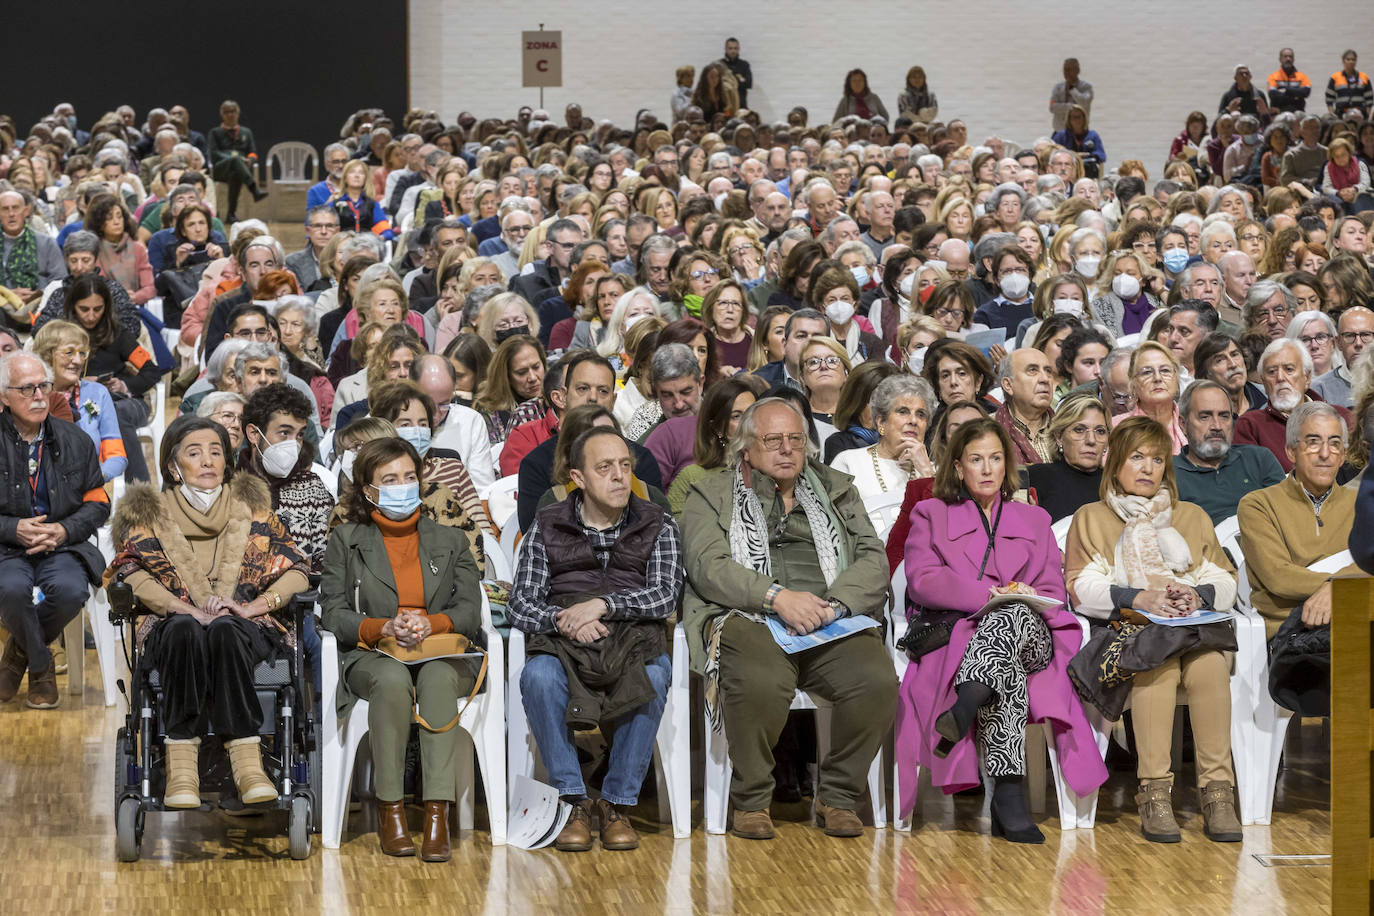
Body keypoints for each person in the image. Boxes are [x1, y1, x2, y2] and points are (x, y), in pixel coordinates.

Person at [680, 397, 896, 841]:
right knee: (759, 681)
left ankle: (837, 794)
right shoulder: (710, 492)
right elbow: (708, 566)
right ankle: (752, 798)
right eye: (772, 440)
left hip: (827, 617)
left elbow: (874, 559)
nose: (786, 450)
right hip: (748, 613)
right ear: (746, 447)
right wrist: (776, 598)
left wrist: (833, 606)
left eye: (795, 439)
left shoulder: (836, 487)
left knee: (876, 681)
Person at [899, 417, 1107, 843]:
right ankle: (1008, 795)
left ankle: (965, 704)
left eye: (996, 458)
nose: (988, 469)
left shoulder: (1033, 519)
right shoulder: (931, 513)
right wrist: (987, 594)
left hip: (1035, 636)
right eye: (976, 460)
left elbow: (1052, 588)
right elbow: (922, 579)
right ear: (958, 467)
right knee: (1001, 663)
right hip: (964, 637)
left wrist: (1021, 594)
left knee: (1011, 616)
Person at [105, 415, 309, 807]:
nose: (207, 461)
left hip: (246, 625)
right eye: (194, 453)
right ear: (172, 466)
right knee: (185, 628)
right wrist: (186, 608)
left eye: (216, 452)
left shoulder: (255, 512)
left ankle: (248, 763)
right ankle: (182, 766)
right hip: (172, 625)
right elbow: (127, 573)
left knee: (224, 630)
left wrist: (252, 607)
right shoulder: (148, 516)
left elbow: (297, 569)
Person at [1065, 416, 1242, 844]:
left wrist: (1195, 594)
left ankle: (1217, 794)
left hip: (1192, 631)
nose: (1147, 468)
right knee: (1154, 668)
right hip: (1132, 632)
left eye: (1157, 459)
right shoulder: (1092, 516)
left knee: (1210, 668)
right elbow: (1080, 587)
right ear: (1116, 464)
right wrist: (1136, 597)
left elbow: (1225, 579)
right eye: (1136, 457)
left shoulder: (1190, 516)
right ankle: (1155, 793)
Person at [509, 425, 684, 852]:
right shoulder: (546, 525)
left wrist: (604, 605)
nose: (620, 476)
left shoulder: (659, 524)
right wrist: (566, 619)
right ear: (578, 478)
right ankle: (573, 800)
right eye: (605, 468)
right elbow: (520, 603)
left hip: (630, 636)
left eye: (625, 466)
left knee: (656, 675)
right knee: (539, 677)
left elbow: (665, 594)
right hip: (564, 637)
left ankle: (617, 804)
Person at [320, 436, 485, 861]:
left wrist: (431, 623)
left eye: (409, 476)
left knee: (436, 679)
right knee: (391, 681)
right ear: (368, 490)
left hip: (442, 651)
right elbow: (333, 613)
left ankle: (436, 815)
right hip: (373, 653)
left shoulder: (450, 540)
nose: (402, 486)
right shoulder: (347, 540)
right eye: (389, 479)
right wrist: (382, 626)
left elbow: (469, 611)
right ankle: (390, 811)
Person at [0, 352, 110, 709]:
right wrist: (12, 527)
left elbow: (98, 503)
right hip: (6, 546)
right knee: (12, 590)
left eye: (43, 386)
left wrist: (63, 530)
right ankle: (43, 666)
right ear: (4, 396)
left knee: (69, 590)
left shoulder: (74, 439)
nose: (38, 396)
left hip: (61, 545)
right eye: (26, 388)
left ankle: (19, 654)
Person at [514, 351, 661, 530]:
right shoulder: (536, 464)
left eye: (603, 391)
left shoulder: (641, 458)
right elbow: (536, 536)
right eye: (583, 388)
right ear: (563, 397)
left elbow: (656, 530)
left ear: (613, 400)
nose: (592, 397)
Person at [64, 273, 161, 481]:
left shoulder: (117, 334)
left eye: (97, 309)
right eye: (84, 309)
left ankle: (139, 493)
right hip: (77, 403)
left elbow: (151, 371)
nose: (91, 316)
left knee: (116, 414)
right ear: (73, 307)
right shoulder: (62, 338)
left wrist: (124, 385)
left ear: (106, 307)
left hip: (124, 402)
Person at [1174, 380, 1284, 525]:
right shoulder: (1169, 473)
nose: (1216, 426)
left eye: (1224, 416)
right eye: (1205, 417)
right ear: (1183, 424)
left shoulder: (1259, 459)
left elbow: (1287, 515)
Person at [1235, 338, 1351, 471]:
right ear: (1264, 383)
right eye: (1271, 372)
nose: (1280, 378)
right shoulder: (1250, 425)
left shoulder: (1343, 417)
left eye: (1289, 369)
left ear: (1306, 378)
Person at [831, 375, 935, 524]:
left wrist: (926, 471)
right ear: (881, 422)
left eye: (921, 414)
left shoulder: (934, 471)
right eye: (903, 411)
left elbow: (945, 526)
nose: (913, 420)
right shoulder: (849, 462)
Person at [33, 320, 126, 483]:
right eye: (69, 352)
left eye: (82, 353)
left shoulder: (97, 393)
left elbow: (117, 456)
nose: (78, 360)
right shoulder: (31, 394)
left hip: (87, 488)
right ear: (47, 354)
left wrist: (98, 476)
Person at [666, 375, 766, 515]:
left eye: (752, 414)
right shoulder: (692, 478)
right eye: (737, 416)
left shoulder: (771, 471)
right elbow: (678, 532)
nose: (748, 423)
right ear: (717, 428)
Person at [1027, 394, 1111, 523]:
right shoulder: (1036, 477)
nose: (1091, 440)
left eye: (1100, 431)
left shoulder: (1117, 484)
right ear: (1059, 437)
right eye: (1079, 430)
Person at [0, 189, 66, 306]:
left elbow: (60, 281)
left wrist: (38, 295)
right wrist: (8, 294)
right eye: (5, 209)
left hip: (41, 307)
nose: (11, 214)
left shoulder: (47, 243)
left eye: (15, 208)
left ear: (26, 211)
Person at [994, 349, 1056, 466]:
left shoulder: (1067, 429)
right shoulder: (989, 429)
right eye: (1032, 370)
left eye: (1048, 371)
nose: (1045, 379)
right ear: (1008, 385)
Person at [207, 101, 266, 221]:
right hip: (221, 169)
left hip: (240, 170)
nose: (230, 115)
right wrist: (233, 158)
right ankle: (254, 189)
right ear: (222, 114)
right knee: (235, 159)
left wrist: (250, 160)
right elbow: (214, 153)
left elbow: (253, 152)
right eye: (227, 112)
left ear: (238, 113)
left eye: (233, 111)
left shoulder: (246, 132)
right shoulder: (215, 132)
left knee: (236, 175)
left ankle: (231, 215)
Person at [1124, 342, 1187, 454]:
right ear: (1133, 384)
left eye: (1165, 370)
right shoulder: (1117, 428)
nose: (1157, 378)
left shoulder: (1192, 424)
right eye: (1147, 372)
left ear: (1176, 379)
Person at [1312, 306, 1374, 408]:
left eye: (1365, 335)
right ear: (1338, 342)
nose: (1358, 343)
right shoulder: (1318, 389)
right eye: (1349, 335)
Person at [754, 308, 827, 391]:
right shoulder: (759, 382)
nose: (809, 343)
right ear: (784, 345)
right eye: (801, 336)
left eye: (817, 337)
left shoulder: (839, 380)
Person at [286, 206, 340, 290]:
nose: (323, 231)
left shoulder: (346, 260)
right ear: (308, 231)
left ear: (337, 230)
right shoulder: (292, 262)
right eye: (318, 226)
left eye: (329, 226)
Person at [1051, 105, 1105, 174]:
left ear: (1084, 118)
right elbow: (1053, 153)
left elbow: (1102, 155)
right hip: (1066, 170)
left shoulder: (1093, 135)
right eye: (1073, 117)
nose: (1076, 120)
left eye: (1078, 117)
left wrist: (1088, 155)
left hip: (1088, 170)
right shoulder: (1061, 135)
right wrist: (1074, 155)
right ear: (1069, 119)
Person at [1049, 58, 1093, 132]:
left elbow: (1084, 104)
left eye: (1069, 69)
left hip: (1080, 133)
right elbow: (1052, 107)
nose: (1066, 72)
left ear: (1077, 70)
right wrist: (1070, 107)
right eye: (1065, 70)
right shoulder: (1058, 87)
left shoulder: (1086, 87)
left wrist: (1072, 89)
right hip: (1059, 132)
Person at [1326, 49, 1373, 118]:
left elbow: (1369, 98)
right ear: (1343, 61)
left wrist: (1367, 114)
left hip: (1360, 115)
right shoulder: (1335, 77)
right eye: (1348, 59)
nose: (1351, 62)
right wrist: (1332, 113)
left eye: (1353, 59)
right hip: (1341, 114)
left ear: (1356, 61)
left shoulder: (1364, 77)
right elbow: (1329, 97)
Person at [1267, 48, 1312, 113]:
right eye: (1285, 56)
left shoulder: (1302, 76)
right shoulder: (1273, 77)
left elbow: (1306, 92)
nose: (1288, 59)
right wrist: (1296, 95)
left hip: (1298, 112)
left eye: (1290, 57)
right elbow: (1272, 95)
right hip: (1278, 112)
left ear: (1293, 59)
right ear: (1280, 59)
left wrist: (1286, 90)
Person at [719, 38, 753, 110]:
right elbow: (718, 84)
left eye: (735, 48)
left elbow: (748, 84)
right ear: (725, 49)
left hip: (741, 106)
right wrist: (739, 79)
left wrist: (728, 81)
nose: (733, 51)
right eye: (730, 48)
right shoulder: (719, 65)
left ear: (738, 49)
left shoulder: (744, 65)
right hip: (724, 106)